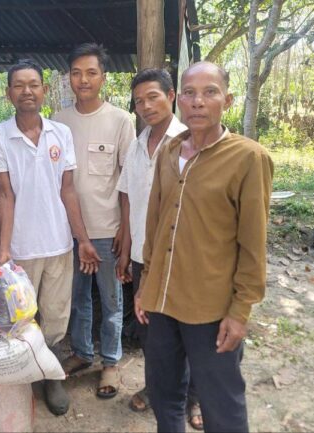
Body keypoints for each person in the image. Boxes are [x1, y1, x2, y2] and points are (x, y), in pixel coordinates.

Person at [134, 62, 273, 433]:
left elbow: (253, 244)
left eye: (210, 92)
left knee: (221, 405)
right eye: (190, 93)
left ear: (227, 100)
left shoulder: (248, 158)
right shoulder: (169, 152)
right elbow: (155, 225)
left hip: (210, 308)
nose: (198, 101)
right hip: (162, 301)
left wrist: (240, 311)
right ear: (179, 100)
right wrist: (146, 284)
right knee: (164, 394)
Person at [0, 59, 101, 416]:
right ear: (9, 94)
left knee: (56, 315)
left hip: (59, 244)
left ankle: (51, 375)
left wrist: (82, 239)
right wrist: (4, 250)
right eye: (19, 85)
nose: (27, 91)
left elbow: (68, 190)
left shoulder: (60, 134)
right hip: (21, 248)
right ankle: (19, 377)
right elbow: (5, 194)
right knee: (19, 316)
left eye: (33, 84)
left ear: (44, 90)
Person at [115, 67, 203, 430]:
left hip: (179, 259)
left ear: (171, 96)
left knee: (189, 334)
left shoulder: (190, 142)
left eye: (153, 97)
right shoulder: (137, 145)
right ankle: (157, 388)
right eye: (139, 101)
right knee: (151, 332)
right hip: (143, 259)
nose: (146, 106)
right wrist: (125, 252)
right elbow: (128, 200)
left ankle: (194, 398)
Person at [52, 43, 135, 399]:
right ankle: (83, 353)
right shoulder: (57, 121)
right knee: (77, 298)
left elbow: (128, 182)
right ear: (68, 77)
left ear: (103, 77)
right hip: (67, 231)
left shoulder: (120, 120)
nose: (83, 80)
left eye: (91, 73)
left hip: (106, 231)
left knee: (112, 300)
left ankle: (111, 362)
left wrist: (125, 231)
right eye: (76, 73)